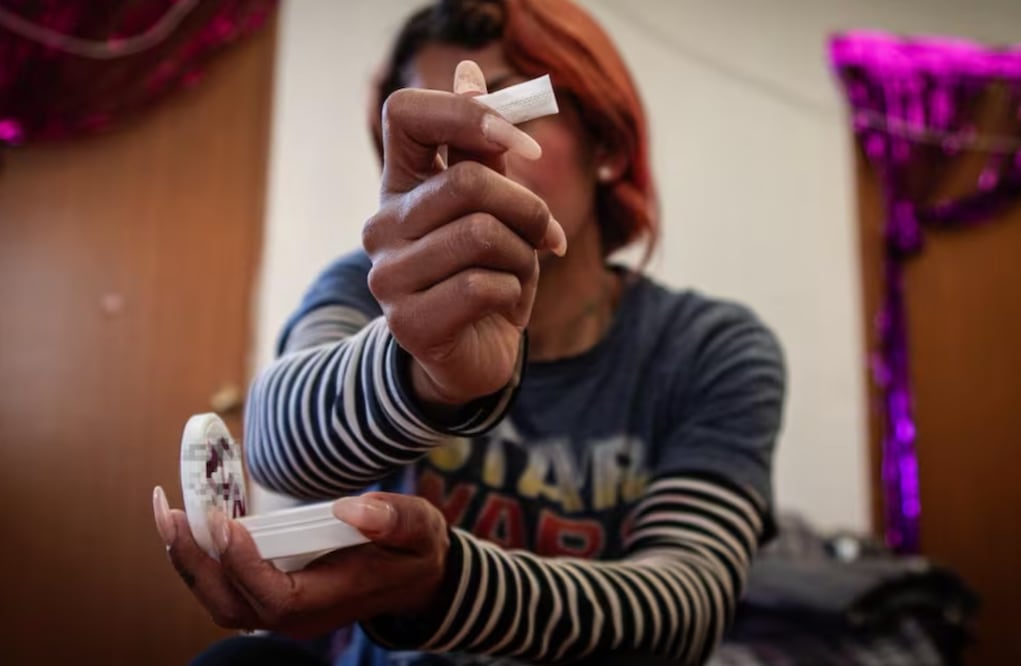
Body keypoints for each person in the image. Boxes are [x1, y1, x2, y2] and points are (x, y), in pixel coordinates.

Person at [152, 0, 786, 664]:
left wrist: (447, 588)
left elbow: (685, 609)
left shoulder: (710, 348)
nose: (468, 156)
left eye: (506, 109)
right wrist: (423, 372)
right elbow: (281, 450)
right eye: (438, 130)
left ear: (607, 148)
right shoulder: (366, 287)